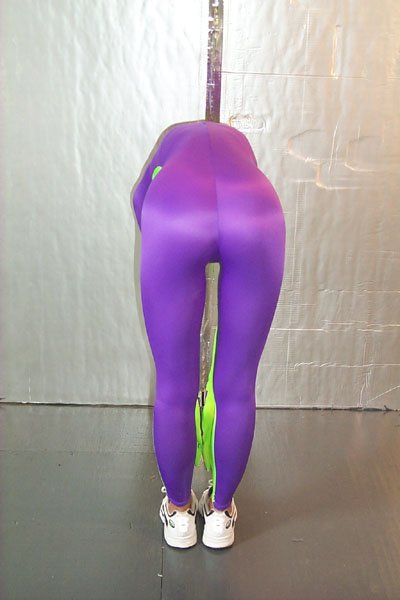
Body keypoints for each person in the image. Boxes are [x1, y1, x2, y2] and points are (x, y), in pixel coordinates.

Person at [131, 119, 286, 549]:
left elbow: (140, 197)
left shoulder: (173, 139)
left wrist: (165, 253)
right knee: (237, 386)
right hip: (255, 214)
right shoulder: (240, 146)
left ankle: (179, 513)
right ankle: (220, 515)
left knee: (174, 387)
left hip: (176, 214)